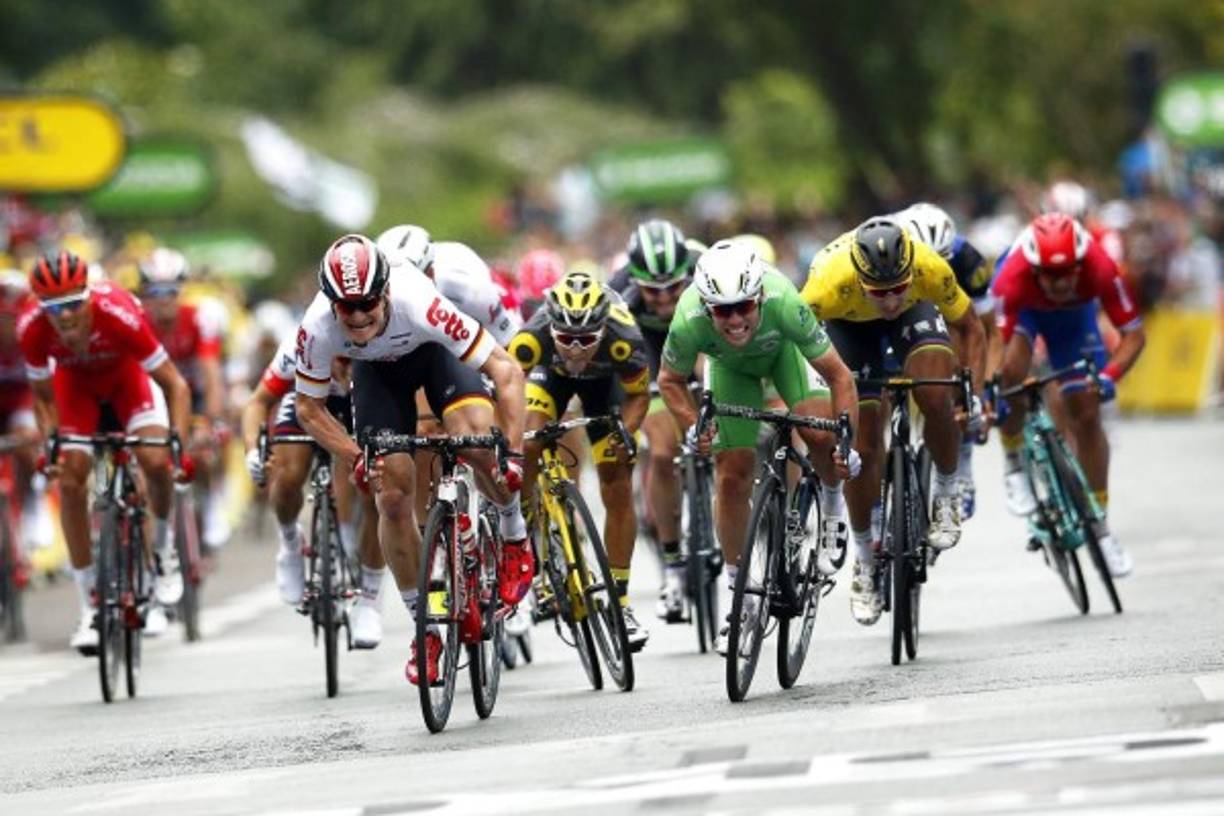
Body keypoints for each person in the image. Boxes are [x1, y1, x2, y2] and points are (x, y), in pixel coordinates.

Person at [294, 234, 527, 686]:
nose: (358, 316)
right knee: (393, 494)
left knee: (476, 441)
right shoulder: (317, 326)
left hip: (436, 358)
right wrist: (355, 455)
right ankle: (426, 629)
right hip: (378, 379)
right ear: (330, 304)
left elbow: (505, 369)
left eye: (367, 304)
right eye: (346, 307)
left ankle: (514, 536)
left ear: (385, 292)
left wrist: (512, 454)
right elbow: (309, 409)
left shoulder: (420, 302)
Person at [659, 240, 859, 653]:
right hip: (732, 373)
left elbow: (840, 377)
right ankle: (742, 599)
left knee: (819, 434)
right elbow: (670, 381)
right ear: (707, 307)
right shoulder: (687, 318)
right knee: (731, 475)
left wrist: (847, 443)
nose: (734, 320)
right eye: (722, 310)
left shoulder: (785, 301)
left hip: (784, 358)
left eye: (744, 307)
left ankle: (832, 510)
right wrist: (693, 426)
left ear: (760, 297)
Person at [801, 218, 986, 626]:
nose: (889, 300)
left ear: (909, 273)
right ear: (860, 279)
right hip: (849, 328)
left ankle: (946, 491)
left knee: (935, 392)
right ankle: (866, 561)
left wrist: (973, 393)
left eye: (898, 287)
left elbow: (971, 327)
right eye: (879, 292)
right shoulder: (827, 282)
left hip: (914, 319)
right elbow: (794, 343)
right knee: (864, 447)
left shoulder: (928, 267)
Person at [19, 251, 195, 651]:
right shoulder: (31, 328)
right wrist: (51, 445)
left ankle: (164, 549)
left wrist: (177, 448)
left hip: (127, 384)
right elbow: (43, 400)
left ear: (89, 295)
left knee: (153, 462)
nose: (64, 317)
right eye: (53, 307)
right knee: (70, 478)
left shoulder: (118, 313)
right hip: (75, 391)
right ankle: (90, 607)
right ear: (40, 306)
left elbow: (177, 387)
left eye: (73, 305)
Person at [992, 213, 1144, 577]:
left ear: (1081, 263)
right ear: (1033, 267)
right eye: (1050, 275)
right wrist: (993, 391)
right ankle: (1014, 458)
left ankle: (1099, 524)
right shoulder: (1011, 277)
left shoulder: (1101, 268)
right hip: (1025, 316)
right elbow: (994, 345)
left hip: (1074, 324)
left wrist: (1109, 376)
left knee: (1088, 413)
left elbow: (1135, 336)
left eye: (1068, 273)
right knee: (1011, 374)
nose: (1060, 283)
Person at [509, 269, 652, 649]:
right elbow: (507, 388)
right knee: (528, 445)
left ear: (603, 329)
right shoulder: (530, 340)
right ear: (551, 328)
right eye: (566, 339)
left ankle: (620, 603)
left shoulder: (625, 339)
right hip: (547, 379)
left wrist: (628, 432)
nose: (574, 349)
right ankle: (525, 533)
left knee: (617, 479)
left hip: (604, 388)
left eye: (586, 339)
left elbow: (639, 396)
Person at [239, 335, 385, 647]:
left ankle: (370, 595)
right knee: (289, 473)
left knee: (377, 488)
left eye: (346, 364)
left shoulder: (374, 346)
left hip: (361, 401)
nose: (340, 371)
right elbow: (257, 401)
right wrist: (252, 450)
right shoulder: (300, 347)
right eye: (336, 363)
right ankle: (290, 541)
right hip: (308, 401)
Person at [607, 218, 699, 623]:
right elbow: (617, 361)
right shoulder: (620, 293)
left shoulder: (704, 274)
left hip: (696, 338)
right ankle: (674, 565)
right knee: (662, 454)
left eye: (672, 289)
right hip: (648, 351)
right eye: (652, 291)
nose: (663, 300)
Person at [895, 202, 1001, 518]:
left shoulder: (969, 261)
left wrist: (981, 391)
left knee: (957, 347)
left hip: (950, 319)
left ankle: (962, 459)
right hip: (900, 313)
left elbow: (989, 332)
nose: (932, 266)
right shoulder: (889, 248)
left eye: (941, 260)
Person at [137, 248, 232, 550]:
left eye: (170, 291)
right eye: (155, 291)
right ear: (145, 293)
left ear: (181, 291)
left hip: (194, 395)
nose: (163, 299)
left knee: (201, 454)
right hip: (155, 396)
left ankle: (209, 499)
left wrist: (209, 421)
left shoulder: (199, 318)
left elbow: (212, 374)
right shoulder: (138, 321)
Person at [0, 273, 52, 555]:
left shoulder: (34, 335)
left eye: (11, 319)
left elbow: (48, 392)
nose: (6, 327)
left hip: (24, 398)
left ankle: (34, 502)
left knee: (23, 442)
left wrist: (40, 433)